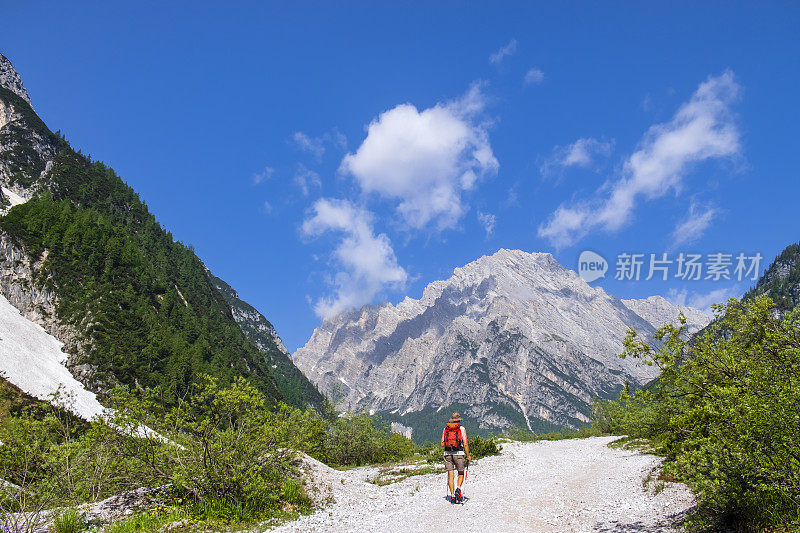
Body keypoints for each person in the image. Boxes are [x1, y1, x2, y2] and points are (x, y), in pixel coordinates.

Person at [441, 412, 471, 503]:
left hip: (447, 454)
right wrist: (468, 455)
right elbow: (465, 443)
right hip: (459, 453)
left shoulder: (445, 429)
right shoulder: (462, 429)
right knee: (461, 472)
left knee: (451, 475)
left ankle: (453, 496)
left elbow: (442, 444)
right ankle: (458, 488)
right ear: (459, 420)